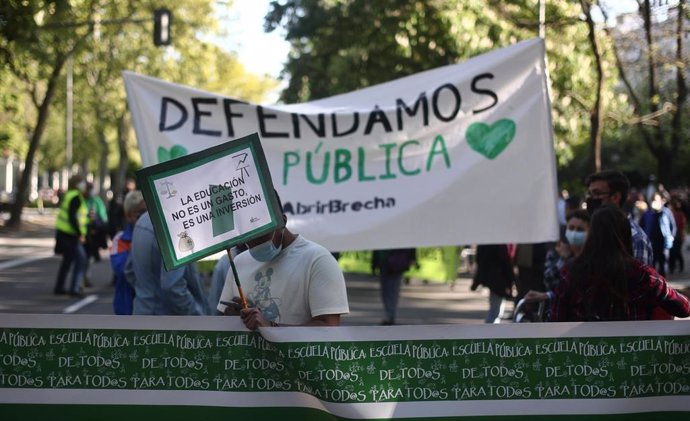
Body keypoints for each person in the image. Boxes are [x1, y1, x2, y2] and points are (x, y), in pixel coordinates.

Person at [218, 191, 349, 330]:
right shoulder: (239, 263)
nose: (254, 243)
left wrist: (271, 327)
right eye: (247, 237)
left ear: (282, 221)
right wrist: (233, 317)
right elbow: (222, 321)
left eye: (261, 234)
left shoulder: (318, 261)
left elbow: (328, 327)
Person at [549, 204, 690, 322]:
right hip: (634, 352)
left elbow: (556, 320)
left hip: (583, 352)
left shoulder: (570, 273)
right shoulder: (642, 275)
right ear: (626, 234)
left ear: (591, 235)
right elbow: (684, 308)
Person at [126, 211, 209, 315]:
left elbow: (129, 270)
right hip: (167, 321)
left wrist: (147, 291)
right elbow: (173, 286)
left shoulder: (142, 221)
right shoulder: (174, 225)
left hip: (143, 312)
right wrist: (196, 314)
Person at [524, 209, 591, 311]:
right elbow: (550, 282)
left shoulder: (591, 256)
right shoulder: (555, 254)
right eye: (571, 228)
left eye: (580, 229)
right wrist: (563, 260)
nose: (574, 233)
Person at [585, 169, 653, 266]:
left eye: (597, 193)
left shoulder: (635, 239)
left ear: (615, 197)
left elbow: (636, 279)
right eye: (590, 194)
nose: (591, 199)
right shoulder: (592, 230)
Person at [53, 174, 90, 298]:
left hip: (64, 233)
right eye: (82, 182)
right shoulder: (75, 197)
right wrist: (80, 234)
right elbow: (73, 217)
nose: (84, 185)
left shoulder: (71, 195)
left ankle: (59, 287)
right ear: (77, 184)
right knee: (81, 259)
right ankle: (74, 289)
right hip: (70, 234)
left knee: (67, 261)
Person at [110, 190, 146, 315]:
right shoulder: (120, 239)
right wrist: (138, 245)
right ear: (129, 216)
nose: (145, 218)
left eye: (148, 213)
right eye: (140, 214)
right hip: (126, 308)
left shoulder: (157, 237)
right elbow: (121, 269)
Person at [470, 244, 515, 324]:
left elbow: (480, 262)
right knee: (495, 311)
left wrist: (477, 281)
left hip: (493, 280)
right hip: (498, 280)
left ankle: (491, 332)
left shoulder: (485, 244)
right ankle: (489, 333)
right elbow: (505, 262)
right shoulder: (498, 245)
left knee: (495, 309)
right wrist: (511, 280)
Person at [374, 248, 417, 325]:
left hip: (396, 259)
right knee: (386, 290)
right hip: (384, 260)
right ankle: (389, 314)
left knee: (392, 290)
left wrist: (412, 257)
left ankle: (390, 315)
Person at [639, 192, 676, 276]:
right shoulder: (647, 213)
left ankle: (663, 283)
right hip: (651, 242)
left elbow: (673, 226)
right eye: (653, 200)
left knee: (663, 263)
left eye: (656, 200)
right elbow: (641, 226)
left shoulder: (666, 212)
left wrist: (672, 237)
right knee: (652, 264)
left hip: (664, 242)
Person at [83, 182, 109, 287]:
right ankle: (84, 278)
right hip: (83, 232)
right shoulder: (84, 200)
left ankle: (85, 277)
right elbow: (104, 218)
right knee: (85, 257)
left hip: (91, 233)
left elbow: (103, 217)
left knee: (86, 257)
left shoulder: (96, 201)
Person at [668, 194, 687, 274]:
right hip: (674, 236)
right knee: (673, 252)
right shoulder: (673, 214)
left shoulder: (679, 215)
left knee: (676, 252)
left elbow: (681, 226)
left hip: (678, 236)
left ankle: (678, 266)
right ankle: (672, 267)